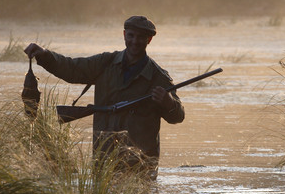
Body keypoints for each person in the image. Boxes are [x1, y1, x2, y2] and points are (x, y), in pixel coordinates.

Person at [24, 15, 185, 179]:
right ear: (124, 35)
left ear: (149, 40)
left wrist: (169, 103)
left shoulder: (159, 77)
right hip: (104, 159)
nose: (135, 41)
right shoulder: (105, 63)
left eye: (141, 37)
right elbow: (71, 69)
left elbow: (178, 116)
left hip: (141, 166)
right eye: (131, 35)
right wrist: (44, 55)